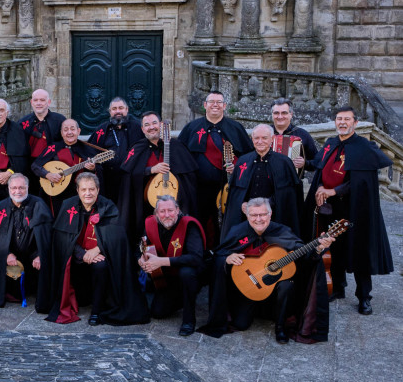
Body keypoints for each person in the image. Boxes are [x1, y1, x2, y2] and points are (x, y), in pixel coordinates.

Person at [201, 198, 333, 343]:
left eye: (263, 214)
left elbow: (305, 258)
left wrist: (319, 248)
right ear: (247, 215)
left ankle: (281, 326)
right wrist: (227, 258)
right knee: (240, 324)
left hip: (275, 290)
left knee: (287, 284)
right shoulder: (238, 231)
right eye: (254, 215)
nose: (258, 219)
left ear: (270, 214)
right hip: (250, 288)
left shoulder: (282, 232)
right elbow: (218, 255)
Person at [304, 107, 393, 315]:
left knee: (359, 250)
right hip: (329, 207)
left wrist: (333, 190)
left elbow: (360, 184)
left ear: (355, 123)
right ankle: (337, 288)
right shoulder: (331, 143)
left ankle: (364, 297)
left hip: (355, 209)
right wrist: (319, 186)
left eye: (346, 119)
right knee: (333, 247)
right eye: (339, 119)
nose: (342, 122)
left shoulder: (364, 147)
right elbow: (320, 169)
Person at [46, 173, 149, 326]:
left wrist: (98, 249)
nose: (88, 193)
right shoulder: (68, 205)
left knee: (101, 266)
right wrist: (82, 253)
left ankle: (96, 311)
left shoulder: (108, 206)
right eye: (84, 189)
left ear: (98, 190)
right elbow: (62, 238)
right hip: (75, 256)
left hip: (99, 256)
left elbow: (117, 237)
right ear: (78, 191)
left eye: (92, 189)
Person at [176, 91, 253, 246]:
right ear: (205, 105)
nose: (215, 105)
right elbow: (180, 156)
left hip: (229, 188)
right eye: (211, 102)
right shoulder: (191, 128)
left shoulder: (236, 128)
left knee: (227, 222)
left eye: (219, 102)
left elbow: (249, 157)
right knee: (200, 221)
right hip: (199, 189)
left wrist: (237, 167)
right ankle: (201, 252)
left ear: (224, 106)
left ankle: (224, 251)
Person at [118, 111, 197, 245]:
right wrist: (150, 170)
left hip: (175, 205)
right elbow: (127, 176)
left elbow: (189, 177)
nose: (151, 127)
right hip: (144, 208)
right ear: (142, 129)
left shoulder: (177, 146)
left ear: (161, 125)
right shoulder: (137, 148)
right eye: (147, 125)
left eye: (154, 123)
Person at [0, 174, 52, 311]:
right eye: (14, 188)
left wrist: (39, 255)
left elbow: (46, 237)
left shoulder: (39, 205)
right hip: (10, 259)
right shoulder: (0, 207)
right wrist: (6, 254)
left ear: (28, 188)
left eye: (21, 188)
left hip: (32, 257)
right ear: (8, 188)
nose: (17, 191)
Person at [138, 195, 205, 336]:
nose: (167, 215)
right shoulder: (151, 224)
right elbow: (143, 245)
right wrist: (141, 259)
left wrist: (161, 261)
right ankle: (182, 297)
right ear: (156, 214)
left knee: (186, 273)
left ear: (178, 210)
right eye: (162, 211)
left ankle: (189, 320)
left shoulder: (189, 225)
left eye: (170, 210)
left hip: (190, 275)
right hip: (167, 278)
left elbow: (196, 258)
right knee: (158, 312)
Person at [221, 124, 303, 240]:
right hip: (246, 218)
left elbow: (288, 195)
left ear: (272, 139)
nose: (260, 141)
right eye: (256, 138)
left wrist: (265, 206)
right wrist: (242, 203)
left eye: (264, 138)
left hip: (276, 217)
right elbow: (235, 192)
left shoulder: (284, 162)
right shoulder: (243, 161)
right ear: (252, 139)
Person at [30, 118, 98, 216]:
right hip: (56, 193)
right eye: (65, 130)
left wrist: (92, 169)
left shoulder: (87, 149)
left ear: (78, 131)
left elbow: (96, 172)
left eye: (72, 129)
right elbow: (35, 166)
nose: (69, 132)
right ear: (61, 133)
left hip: (78, 194)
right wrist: (47, 174)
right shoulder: (53, 148)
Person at [87, 97, 144, 201]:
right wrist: (91, 164)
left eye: (121, 108)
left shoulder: (139, 128)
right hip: (108, 180)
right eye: (114, 109)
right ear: (110, 111)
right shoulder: (101, 130)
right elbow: (90, 151)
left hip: (131, 179)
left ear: (127, 109)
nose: (118, 111)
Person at [19, 89, 66, 195]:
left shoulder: (60, 120)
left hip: (53, 168)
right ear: (31, 102)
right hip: (29, 169)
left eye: (42, 100)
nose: (38, 103)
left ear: (48, 102)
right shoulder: (23, 122)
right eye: (35, 100)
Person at [270, 98, 318, 173]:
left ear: (291, 114)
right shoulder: (264, 133)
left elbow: (317, 162)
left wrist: (305, 163)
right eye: (276, 113)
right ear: (272, 114)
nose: (280, 116)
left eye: (284, 113)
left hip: (293, 182)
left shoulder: (302, 134)